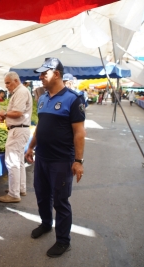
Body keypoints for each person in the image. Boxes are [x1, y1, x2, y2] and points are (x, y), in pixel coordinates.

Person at [25, 57, 86, 258]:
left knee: (60, 201)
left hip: (61, 160)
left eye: (45, 73)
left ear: (56, 74)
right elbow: (40, 128)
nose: (41, 77)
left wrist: (78, 161)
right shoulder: (42, 98)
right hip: (42, 157)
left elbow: (79, 133)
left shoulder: (72, 99)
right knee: (42, 195)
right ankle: (45, 224)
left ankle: (63, 241)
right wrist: (30, 147)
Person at [0, 71, 32, 203]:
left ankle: (13, 194)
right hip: (20, 130)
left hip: (18, 131)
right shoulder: (20, 92)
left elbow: (18, 112)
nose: (6, 86)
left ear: (16, 81)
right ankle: (20, 188)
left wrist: (4, 113)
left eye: (8, 82)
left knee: (12, 162)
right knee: (19, 162)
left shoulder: (21, 92)